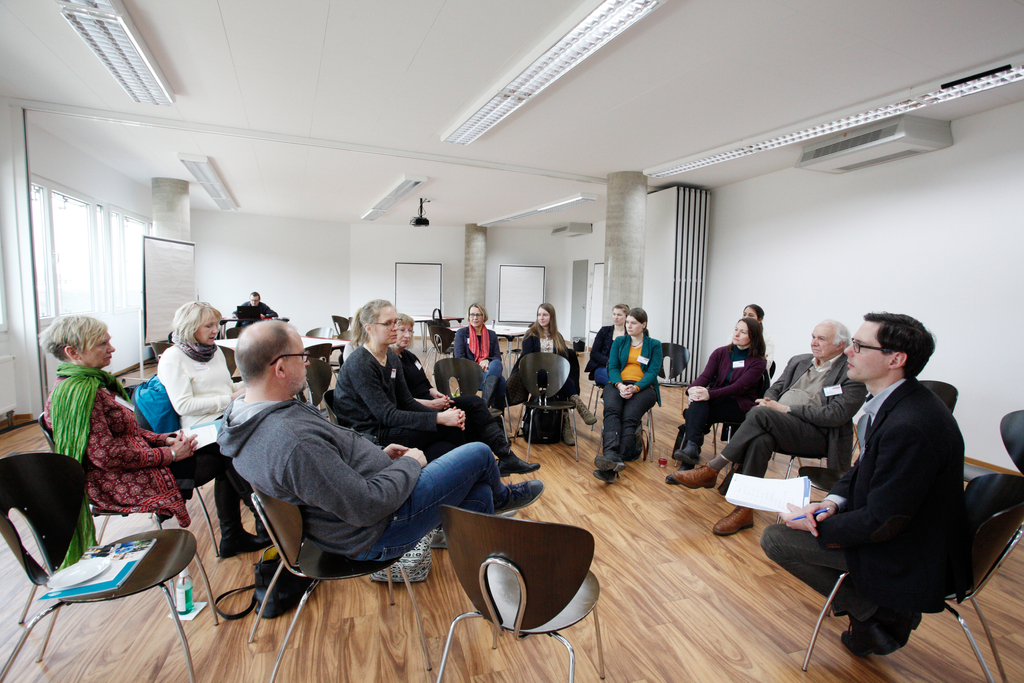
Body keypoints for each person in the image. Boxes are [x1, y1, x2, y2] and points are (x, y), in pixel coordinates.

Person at [218, 321, 545, 562]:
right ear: (278, 369)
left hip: (369, 497)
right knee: (479, 454)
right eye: (300, 355)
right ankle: (502, 506)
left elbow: (332, 465)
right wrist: (407, 464)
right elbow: (365, 505)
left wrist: (378, 455)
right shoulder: (290, 440)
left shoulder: (245, 416)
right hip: (377, 528)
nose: (307, 361)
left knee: (479, 490)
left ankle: (482, 558)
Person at [762, 312, 970, 658]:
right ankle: (875, 612)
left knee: (777, 539)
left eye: (859, 346)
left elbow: (883, 522)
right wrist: (829, 505)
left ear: (895, 359)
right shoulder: (898, 403)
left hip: (911, 550)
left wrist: (818, 526)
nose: (848, 352)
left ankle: (877, 612)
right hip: (900, 528)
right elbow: (861, 472)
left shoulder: (910, 425)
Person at [668, 320, 867, 537]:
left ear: (840, 345)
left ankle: (712, 469)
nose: (814, 343)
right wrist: (770, 401)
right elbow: (775, 388)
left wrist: (786, 409)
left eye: (821, 339)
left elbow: (836, 415)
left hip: (818, 434)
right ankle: (745, 510)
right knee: (760, 438)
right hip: (781, 424)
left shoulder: (850, 372)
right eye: (813, 336)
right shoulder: (800, 361)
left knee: (760, 414)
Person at [40, 315, 205, 566]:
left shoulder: (96, 384)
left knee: (218, 453)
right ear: (72, 352)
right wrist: (170, 454)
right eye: (101, 344)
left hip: (128, 463)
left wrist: (163, 439)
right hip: (111, 480)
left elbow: (128, 432)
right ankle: (245, 537)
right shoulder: (79, 393)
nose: (112, 349)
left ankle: (240, 535)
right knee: (219, 457)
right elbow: (106, 456)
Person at [159, 301, 267, 556]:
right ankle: (264, 520)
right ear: (190, 327)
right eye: (209, 325)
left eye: (216, 324)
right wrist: (229, 399)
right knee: (235, 452)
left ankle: (234, 535)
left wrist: (249, 389)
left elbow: (226, 386)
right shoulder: (174, 357)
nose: (215, 330)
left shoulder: (214, 351)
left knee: (235, 455)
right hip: (199, 428)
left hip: (224, 418)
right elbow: (183, 405)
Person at [392, 313, 538, 476]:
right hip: (421, 410)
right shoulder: (391, 362)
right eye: (402, 330)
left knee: (475, 402)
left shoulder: (409, 357)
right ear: (392, 331)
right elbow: (403, 401)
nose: (407, 335)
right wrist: (433, 404)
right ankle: (489, 463)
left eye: (410, 331)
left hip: (433, 403)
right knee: (469, 415)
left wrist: (440, 396)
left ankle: (504, 457)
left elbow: (426, 386)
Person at [333, 299, 469, 461]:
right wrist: (439, 418)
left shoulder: (391, 357)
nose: (395, 327)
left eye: (396, 321)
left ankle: (431, 474)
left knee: (449, 436)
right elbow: (387, 415)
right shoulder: (361, 363)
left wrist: (444, 414)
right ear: (368, 328)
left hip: (388, 425)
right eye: (388, 323)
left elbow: (406, 402)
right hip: (369, 435)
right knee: (449, 430)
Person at [672, 317, 767, 466]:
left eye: (743, 332)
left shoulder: (758, 362)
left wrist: (709, 394)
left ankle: (690, 452)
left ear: (753, 337)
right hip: (717, 398)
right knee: (699, 402)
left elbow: (739, 387)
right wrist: (691, 390)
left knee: (696, 411)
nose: (736, 334)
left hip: (740, 404)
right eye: (736, 329)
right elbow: (706, 376)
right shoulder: (720, 352)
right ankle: (691, 450)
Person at [593, 308, 662, 483]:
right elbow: (613, 367)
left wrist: (636, 388)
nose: (629, 326)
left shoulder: (654, 344)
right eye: (628, 322)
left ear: (643, 325)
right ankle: (611, 455)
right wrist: (620, 385)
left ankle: (615, 459)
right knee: (612, 411)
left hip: (644, 388)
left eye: (634, 323)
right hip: (618, 384)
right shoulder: (620, 342)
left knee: (629, 416)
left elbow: (652, 372)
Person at [519, 303, 596, 445]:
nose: (541, 318)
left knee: (561, 377)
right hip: (535, 375)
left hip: (555, 377)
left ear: (551, 317)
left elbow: (564, 360)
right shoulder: (530, 335)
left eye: (545, 315)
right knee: (558, 377)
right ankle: (578, 408)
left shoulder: (557, 336)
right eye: (539, 314)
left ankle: (565, 423)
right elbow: (528, 360)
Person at [453, 303, 506, 408]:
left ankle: (485, 406)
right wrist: (477, 367)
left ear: (484, 317)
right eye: (472, 314)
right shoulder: (462, 333)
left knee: (496, 363)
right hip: (469, 373)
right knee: (501, 381)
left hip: (488, 372)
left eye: (478, 315)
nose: (474, 318)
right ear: (468, 317)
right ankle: (496, 419)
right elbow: (459, 358)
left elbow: (496, 357)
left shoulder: (491, 335)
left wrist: (486, 360)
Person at [584, 303, 630, 386]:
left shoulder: (629, 334)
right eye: (614, 314)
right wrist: (610, 362)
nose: (616, 317)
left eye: (619, 315)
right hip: (602, 367)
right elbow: (594, 353)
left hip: (622, 369)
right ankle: (608, 397)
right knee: (614, 381)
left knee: (628, 381)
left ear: (626, 316)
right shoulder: (604, 331)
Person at [727, 304, 775, 369]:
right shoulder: (734, 336)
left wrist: (740, 362)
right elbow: (727, 363)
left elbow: (766, 366)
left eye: (751, 315)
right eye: (744, 314)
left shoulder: (767, 339)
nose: (746, 317)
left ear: (759, 320)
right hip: (733, 374)